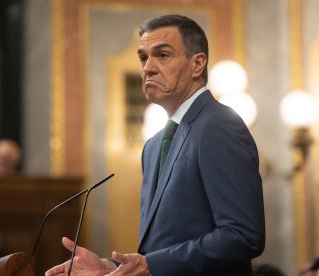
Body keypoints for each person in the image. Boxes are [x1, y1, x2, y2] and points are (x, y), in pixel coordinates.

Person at [45, 14, 265, 276]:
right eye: (143, 57)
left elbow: (242, 235)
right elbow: (162, 246)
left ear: (197, 64)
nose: (147, 67)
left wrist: (151, 265)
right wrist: (111, 267)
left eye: (162, 55)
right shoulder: (153, 146)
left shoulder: (219, 125)